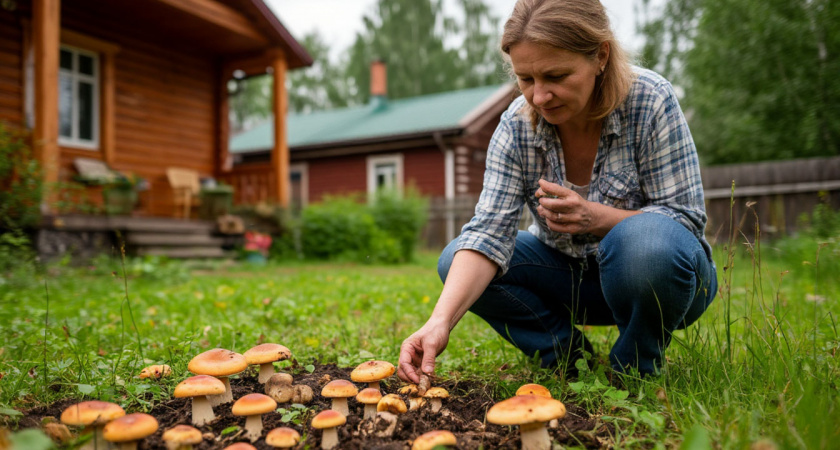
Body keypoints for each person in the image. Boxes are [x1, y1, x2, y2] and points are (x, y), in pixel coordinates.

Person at [397, 0, 717, 382]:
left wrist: (595, 217)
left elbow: (684, 220)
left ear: (601, 55)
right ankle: (568, 359)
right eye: (526, 79)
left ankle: (634, 368)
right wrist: (439, 321)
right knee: (456, 260)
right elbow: (488, 233)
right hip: (567, 280)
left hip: (662, 280)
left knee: (647, 241)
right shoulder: (516, 126)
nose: (539, 97)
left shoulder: (649, 100)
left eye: (557, 76)